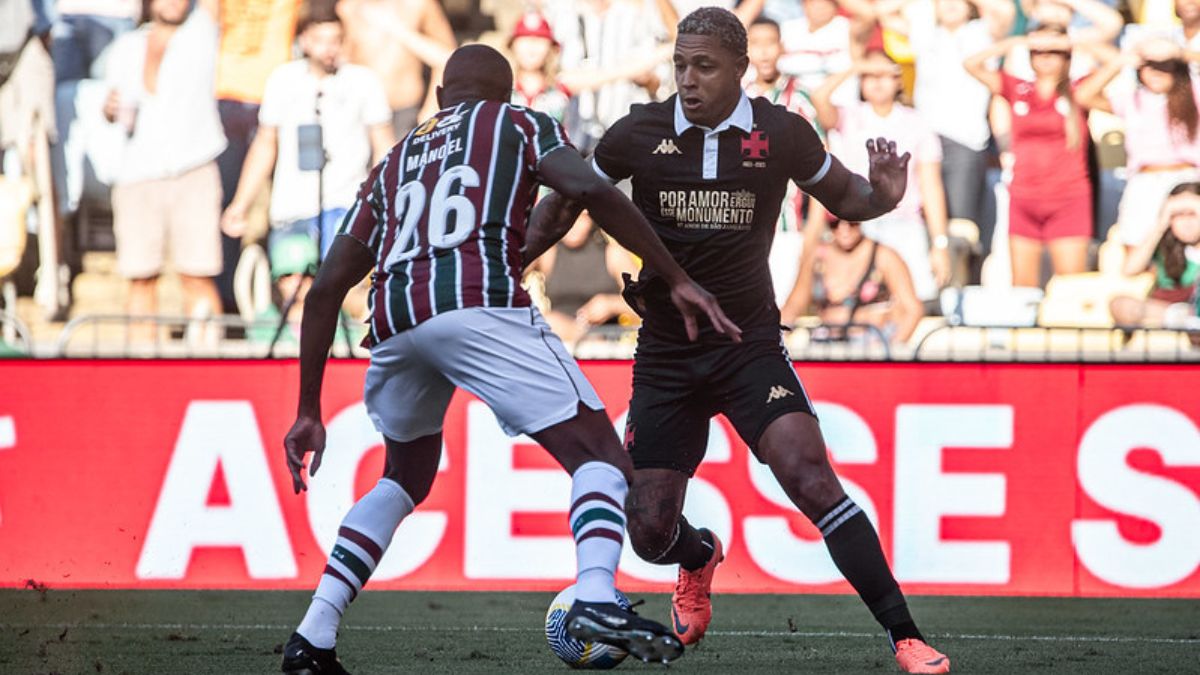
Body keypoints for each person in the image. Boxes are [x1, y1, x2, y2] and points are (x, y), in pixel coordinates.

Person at [278, 43, 740, 674]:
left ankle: (313, 637)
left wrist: (308, 409)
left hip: (394, 319)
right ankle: (599, 598)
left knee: (404, 476)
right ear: (507, 94)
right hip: (479, 304)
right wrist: (674, 276)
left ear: (442, 98)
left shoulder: (395, 159)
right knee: (602, 459)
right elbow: (590, 191)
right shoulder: (520, 123)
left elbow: (327, 286)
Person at [529, 8, 950, 673]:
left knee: (809, 475)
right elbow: (567, 203)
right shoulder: (635, 132)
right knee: (647, 527)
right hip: (666, 352)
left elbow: (849, 194)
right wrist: (512, 257)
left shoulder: (780, 132)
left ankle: (905, 635)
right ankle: (697, 556)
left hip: (748, 344)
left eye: (704, 66)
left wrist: (884, 197)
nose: (688, 80)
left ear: (741, 70)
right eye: (680, 65)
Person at [221, 7, 394, 266]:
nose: (329, 49)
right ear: (304, 41)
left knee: (345, 288)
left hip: (346, 205)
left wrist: (380, 203)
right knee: (294, 285)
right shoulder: (283, 79)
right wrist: (241, 203)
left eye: (335, 40)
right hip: (293, 208)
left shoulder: (363, 81)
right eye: (320, 41)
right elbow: (265, 145)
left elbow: (383, 145)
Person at [102, 0, 224, 339]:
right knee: (140, 277)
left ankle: (207, 366)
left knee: (197, 275)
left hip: (192, 167)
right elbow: (112, 103)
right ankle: (141, 367)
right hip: (137, 171)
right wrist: (109, 108)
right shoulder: (126, 46)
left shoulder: (202, 33)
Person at [806, 50, 949, 306]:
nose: (877, 80)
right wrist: (858, 64)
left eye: (885, 74)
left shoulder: (917, 122)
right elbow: (818, 97)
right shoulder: (848, 116)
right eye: (870, 75)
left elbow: (931, 187)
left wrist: (939, 243)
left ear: (898, 80)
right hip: (858, 226)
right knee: (856, 301)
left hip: (905, 225)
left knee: (914, 299)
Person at [965, 25, 1093, 287]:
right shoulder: (1018, 88)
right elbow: (971, 63)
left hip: (1068, 198)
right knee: (1023, 287)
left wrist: (1072, 41)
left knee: (1070, 286)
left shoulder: (1079, 90)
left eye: (1054, 52)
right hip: (1024, 197)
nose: (1045, 56)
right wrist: (1018, 40)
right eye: (1037, 51)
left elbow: (1116, 62)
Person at [879, 0, 1015, 232]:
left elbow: (1006, 11)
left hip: (966, 141)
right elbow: (883, 13)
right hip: (925, 140)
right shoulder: (924, 31)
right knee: (923, 221)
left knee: (962, 229)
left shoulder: (982, 31)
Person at [211, 0, 301, 314]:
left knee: (285, 206)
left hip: (275, 97)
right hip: (226, 95)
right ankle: (228, 298)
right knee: (228, 205)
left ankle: (282, 298)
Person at [1074, 37, 1200, 251]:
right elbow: (1083, 95)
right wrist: (1120, 61)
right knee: (1136, 244)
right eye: (1150, 66)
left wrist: (1179, 53)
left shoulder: (1193, 94)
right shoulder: (1132, 99)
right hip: (1144, 181)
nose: (1157, 71)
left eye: (1165, 66)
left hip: (1187, 180)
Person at [743, 16, 826, 303]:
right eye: (756, 44)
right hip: (740, 229)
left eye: (770, 43)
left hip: (787, 229)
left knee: (776, 314)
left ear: (782, 47)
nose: (764, 52)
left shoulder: (799, 97)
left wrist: (813, 235)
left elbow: (821, 169)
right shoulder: (734, 99)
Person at [790, 217, 925, 344]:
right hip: (828, 343)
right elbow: (794, 305)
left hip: (873, 343)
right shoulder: (817, 257)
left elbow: (912, 310)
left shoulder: (884, 256)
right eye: (835, 223)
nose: (844, 228)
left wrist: (889, 353)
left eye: (852, 221)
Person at [336, 0, 457, 138]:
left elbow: (449, 58)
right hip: (363, 113)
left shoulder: (419, 4)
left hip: (407, 112)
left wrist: (431, 107)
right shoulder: (348, 8)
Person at [528, 211, 640, 347]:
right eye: (566, 218)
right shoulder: (548, 253)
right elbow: (510, 270)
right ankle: (584, 338)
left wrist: (611, 305)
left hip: (606, 344)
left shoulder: (612, 254)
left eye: (581, 218)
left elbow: (646, 303)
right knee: (542, 320)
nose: (573, 225)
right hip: (560, 342)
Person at [1110, 182, 1200, 327]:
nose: (1186, 222)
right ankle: (1189, 321)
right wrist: (1160, 225)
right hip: (1174, 312)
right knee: (1120, 304)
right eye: (1178, 215)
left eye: (1192, 214)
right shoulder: (1163, 245)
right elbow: (1130, 269)